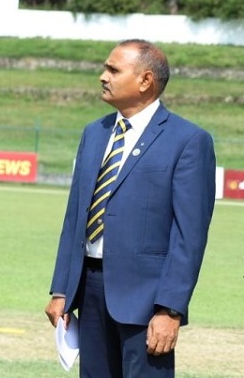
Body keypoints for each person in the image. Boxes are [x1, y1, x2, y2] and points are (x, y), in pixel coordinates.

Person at [44, 39, 216, 377]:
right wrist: (62, 289)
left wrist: (170, 309)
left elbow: (189, 237)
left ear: (145, 80)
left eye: (113, 70)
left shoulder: (188, 140)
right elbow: (75, 217)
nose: (102, 76)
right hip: (90, 293)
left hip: (147, 301)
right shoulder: (94, 132)